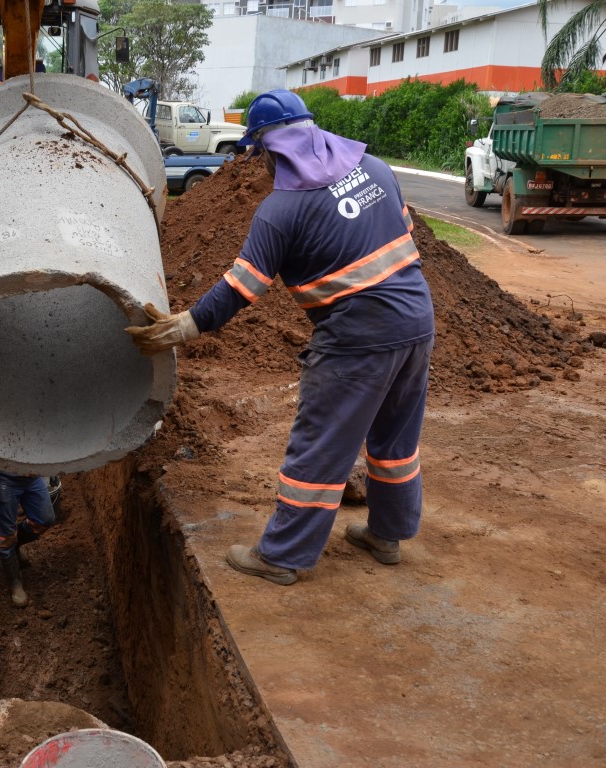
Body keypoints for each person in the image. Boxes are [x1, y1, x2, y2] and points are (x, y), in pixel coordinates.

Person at [125, 89, 434, 586]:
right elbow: (404, 236)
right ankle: (388, 535)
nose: (259, 164)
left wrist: (185, 325)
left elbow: (240, 288)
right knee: (395, 438)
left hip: (355, 341)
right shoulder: (376, 171)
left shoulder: (281, 211)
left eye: (259, 154)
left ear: (272, 150)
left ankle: (283, 556)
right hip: (417, 323)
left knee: (320, 448)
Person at [0, 460, 57, 607]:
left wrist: (51, 466)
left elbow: (43, 440)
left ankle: (15, 544)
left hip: (31, 475)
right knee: (5, 536)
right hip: (4, 480)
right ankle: (15, 582)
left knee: (45, 519)